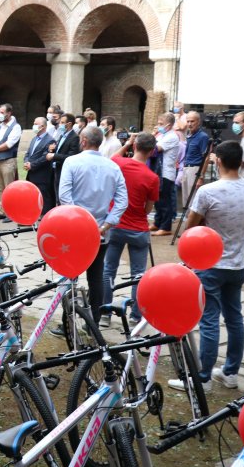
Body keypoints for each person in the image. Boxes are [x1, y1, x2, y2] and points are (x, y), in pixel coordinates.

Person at [170, 141, 244, 392]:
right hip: (237, 264)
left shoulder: (208, 192)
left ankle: (204, 377)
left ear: (216, 160)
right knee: (234, 318)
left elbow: (191, 228)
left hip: (211, 264)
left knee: (209, 321)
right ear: (239, 161)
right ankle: (231, 372)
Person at [58, 125, 129, 324]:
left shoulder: (72, 162)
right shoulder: (112, 166)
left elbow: (64, 196)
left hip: (76, 229)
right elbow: (122, 201)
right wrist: (107, 224)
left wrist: (77, 220)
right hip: (100, 230)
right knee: (96, 276)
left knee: (70, 273)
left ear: (83, 141)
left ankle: (68, 320)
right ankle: (95, 320)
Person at [101, 132, 160, 326]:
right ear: (152, 152)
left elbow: (112, 158)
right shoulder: (152, 177)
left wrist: (127, 143)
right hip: (138, 228)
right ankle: (136, 315)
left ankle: (106, 312)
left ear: (134, 146)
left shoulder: (119, 164)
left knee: (109, 269)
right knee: (138, 274)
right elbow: (148, 208)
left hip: (115, 224)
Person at [0, 103, 22, 221]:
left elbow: (9, 144)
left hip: (8, 160)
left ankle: (11, 212)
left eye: (2, 113)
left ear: (9, 113)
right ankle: (1, 211)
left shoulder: (16, 127)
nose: (0, 115)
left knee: (9, 188)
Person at [152, 112, 180, 237]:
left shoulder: (171, 137)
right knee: (157, 200)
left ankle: (166, 226)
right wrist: (153, 135)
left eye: (161, 124)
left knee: (165, 201)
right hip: (159, 172)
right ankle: (157, 223)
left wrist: (151, 138)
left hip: (166, 173)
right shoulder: (162, 135)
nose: (158, 126)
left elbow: (155, 149)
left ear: (168, 125)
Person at [47, 113, 80, 207]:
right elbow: (61, 150)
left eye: (62, 122)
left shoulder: (74, 137)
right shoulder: (62, 135)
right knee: (56, 194)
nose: (60, 124)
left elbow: (71, 156)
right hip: (56, 169)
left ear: (69, 124)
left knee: (62, 195)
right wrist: (53, 149)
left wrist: (54, 155)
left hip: (64, 170)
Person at [24, 117, 55, 214]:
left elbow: (45, 157)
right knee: (33, 195)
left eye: (36, 124)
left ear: (43, 126)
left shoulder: (50, 140)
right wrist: (26, 162)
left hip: (42, 174)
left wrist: (32, 165)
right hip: (32, 173)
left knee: (44, 195)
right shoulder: (34, 139)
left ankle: (45, 215)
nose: (34, 126)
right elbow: (28, 153)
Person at [181, 111, 210, 209]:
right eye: (188, 121)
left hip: (195, 170)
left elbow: (206, 157)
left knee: (193, 201)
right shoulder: (189, 135)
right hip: (186, 168)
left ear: (198, 122)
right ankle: (188, 222)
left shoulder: (203, 136)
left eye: (192, 121)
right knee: (186, 200)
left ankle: (194, 223)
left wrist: (201, 177)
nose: (189, 124)